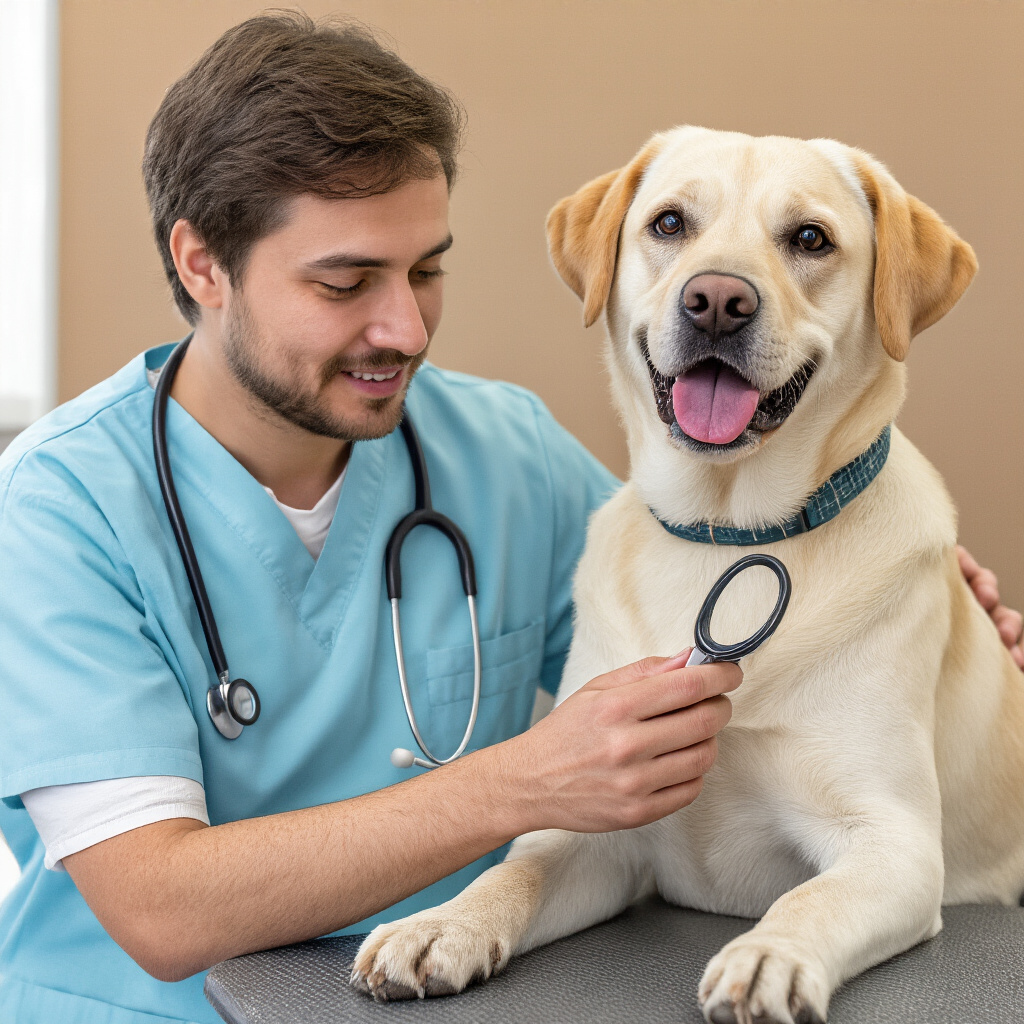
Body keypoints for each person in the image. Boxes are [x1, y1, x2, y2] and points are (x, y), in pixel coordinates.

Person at [0, 13, 1019, 1024]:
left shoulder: (504, 451)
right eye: (345, 283)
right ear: (202, 264)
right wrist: (519, 784)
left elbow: (719, 585)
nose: (406, 329)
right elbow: (162, 908)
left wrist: (933, 620)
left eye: (425, 270)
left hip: (445, 1003)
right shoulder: (60, 508)